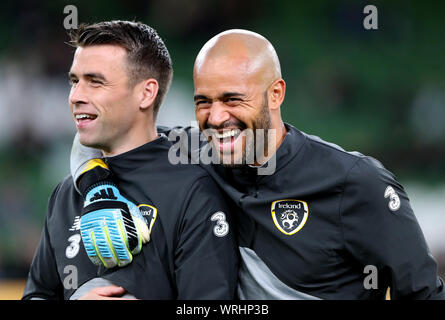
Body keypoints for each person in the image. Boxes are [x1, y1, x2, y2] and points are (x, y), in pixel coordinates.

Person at [69, 29, 445, 300]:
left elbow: (424, 293)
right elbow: (102, 131)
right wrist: (97, 191)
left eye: (233, 99)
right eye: (204, 101)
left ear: (276, 93)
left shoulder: (355, 183)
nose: (216, 118)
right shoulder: (192, 150)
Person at [22, 21, 238, 300]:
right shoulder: (67, 191)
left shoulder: (193, 190)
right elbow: (36, 295)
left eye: (95, 82)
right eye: (74, 81)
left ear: (146, 93)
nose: (75, 96)